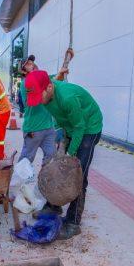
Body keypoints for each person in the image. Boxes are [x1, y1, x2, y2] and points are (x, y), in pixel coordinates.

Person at [24, 70, 103, 240]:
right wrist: (61, 139)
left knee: (78, 174)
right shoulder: (45, 96)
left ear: (50, 88)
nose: (39, 101)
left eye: (40, 96)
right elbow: (58, 119)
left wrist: (71, 154)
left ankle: (73, 223)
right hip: (71, 125)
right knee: (57, 168)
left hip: (89, 127)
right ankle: (54, 206)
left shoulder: (67, 98)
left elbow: (80, 126)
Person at [17, 52, 72, 165]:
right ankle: (18, 179)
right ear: (23, 70)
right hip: (33, 128)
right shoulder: (25, 83)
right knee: (26, 159)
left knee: (51, 155)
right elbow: (33, 100)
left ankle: (44, 180)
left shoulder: (42, 78)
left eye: (32, 62)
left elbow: (55, 80)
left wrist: (64, 67)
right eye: (27, 64)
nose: (32, 64)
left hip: (48, 127)